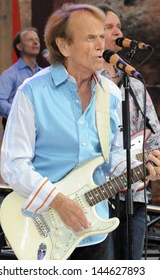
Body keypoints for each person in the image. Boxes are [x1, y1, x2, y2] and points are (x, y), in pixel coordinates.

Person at [0, 3, 160, 260]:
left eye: (101, 36)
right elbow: (13, 165)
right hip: (43, 229)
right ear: (64, 46)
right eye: (90, 38)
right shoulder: (32, 93)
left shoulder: (111, 94)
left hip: (95, 231)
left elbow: (114, 155)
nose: (101, 45)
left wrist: (139, 168)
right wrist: (58, 202)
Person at [99, 4, 160, 259]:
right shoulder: (91, 80)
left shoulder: (134, 82)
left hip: (135, 193)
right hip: (99, 195)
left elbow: (154, 132)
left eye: (118, 27)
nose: (117, 31)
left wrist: (152, 157)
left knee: (132, 264)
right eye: (109, 27)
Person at [0, 27, 41, 130]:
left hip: (41, 135)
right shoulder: (9, 75)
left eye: (37, 40)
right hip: (17, 133)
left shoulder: (44, 74)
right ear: (19, 46)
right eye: (30, 40)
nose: (35, 42)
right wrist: (20, 114)